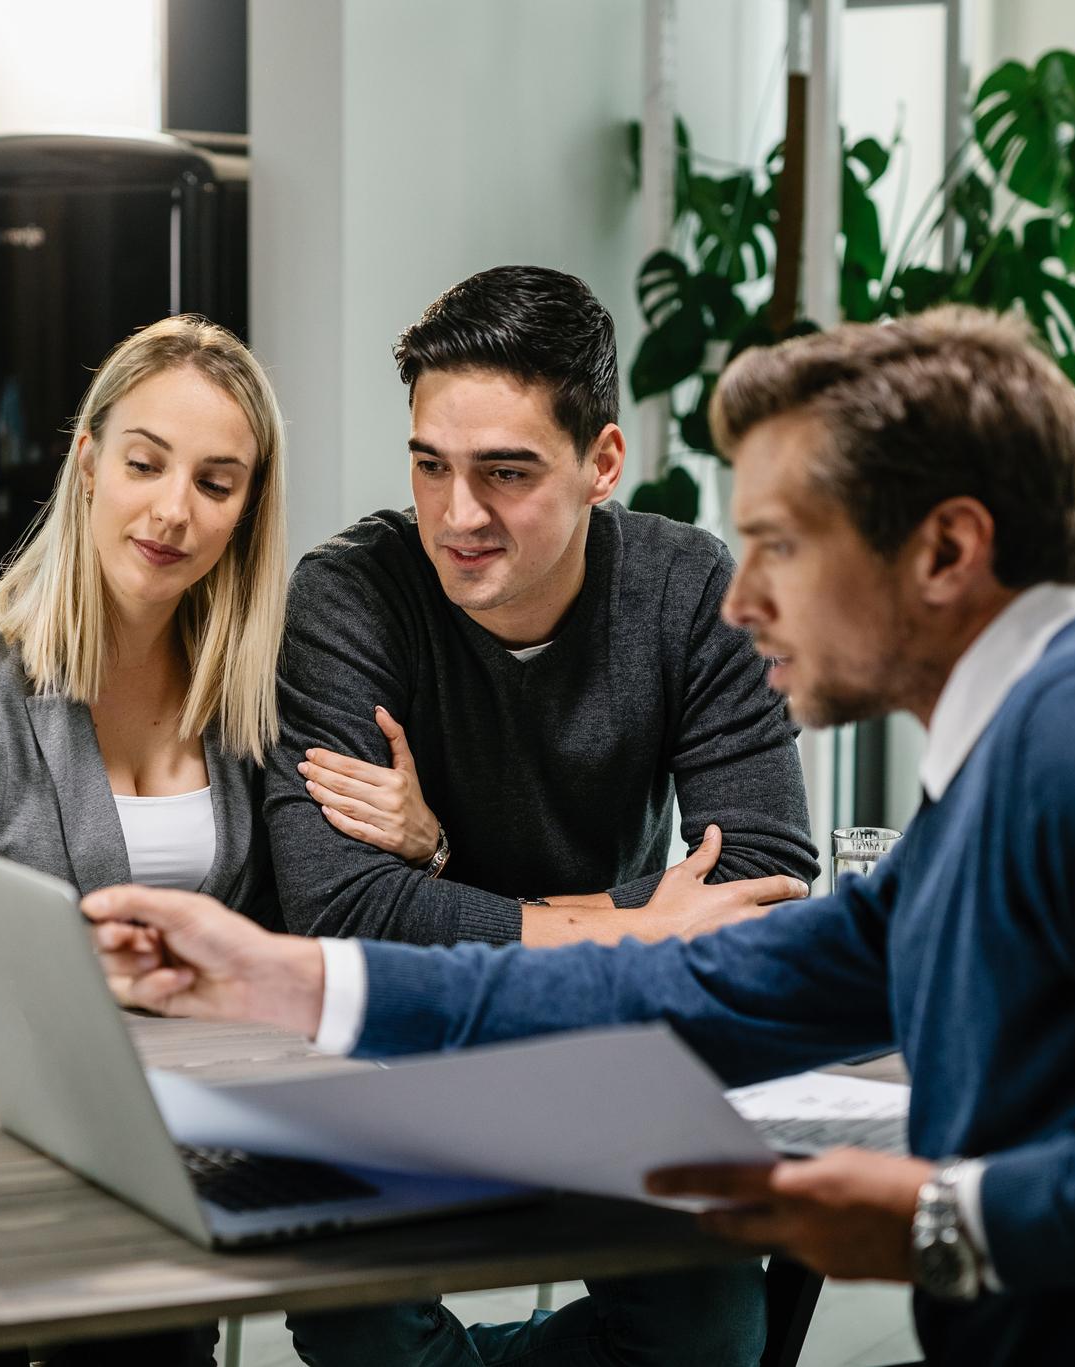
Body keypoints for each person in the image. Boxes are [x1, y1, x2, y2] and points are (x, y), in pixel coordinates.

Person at [86, 307, 1075, 1367]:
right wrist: (283, 976)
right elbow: (698, 980)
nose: (738, 600)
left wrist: (939, 1217)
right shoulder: (1013, 754)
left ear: (946, 550)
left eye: (782, 544)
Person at [262, 265, 819, 1366]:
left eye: (504, 473)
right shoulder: (350, 595)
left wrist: (434, 872)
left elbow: (761, 878)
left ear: (600, 463)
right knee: (358, 1325)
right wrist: (630, 928)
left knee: (710, 1330)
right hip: (395, 1051)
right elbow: (333, 903)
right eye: (430, 465)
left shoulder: (689, 592)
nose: (456, 515)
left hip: (606, 1043)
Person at [0, 314, 413, 1367]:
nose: (172, 510)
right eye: (144, 463)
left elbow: (306, 909)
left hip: (185, 1136)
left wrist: (419, 838)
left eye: (216, 482)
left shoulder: (255, 690)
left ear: (246, 508)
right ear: (87, 463)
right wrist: (114, 970)